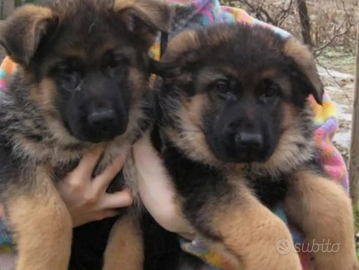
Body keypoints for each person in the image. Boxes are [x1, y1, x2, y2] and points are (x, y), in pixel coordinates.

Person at [0, 0, 349, 270]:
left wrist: (186, 227)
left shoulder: (270, 43)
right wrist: (51, 217)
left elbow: (317, 244)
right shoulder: (30, 54)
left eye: (117, 66)